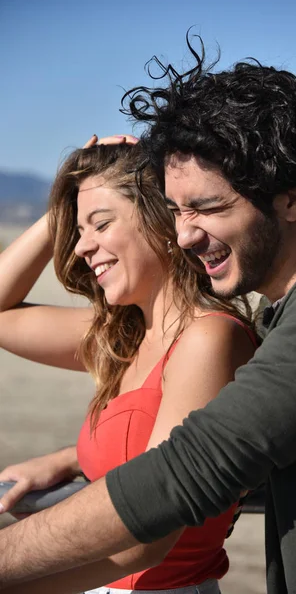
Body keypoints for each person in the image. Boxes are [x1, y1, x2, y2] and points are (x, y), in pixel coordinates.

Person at [1, 35, 296, 594]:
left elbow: (189, 469)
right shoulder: (292, 306)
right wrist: (74, 457)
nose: (185, 234)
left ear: (293, 197)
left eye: (209, 207)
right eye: (175, 210)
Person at [0, 141, 257, 593]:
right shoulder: (125, 338)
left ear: (161, 221)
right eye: (78, 231)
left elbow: (150, 531)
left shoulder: (208, 338)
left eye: (101, 223)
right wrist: (65, 205)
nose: (81, 246)